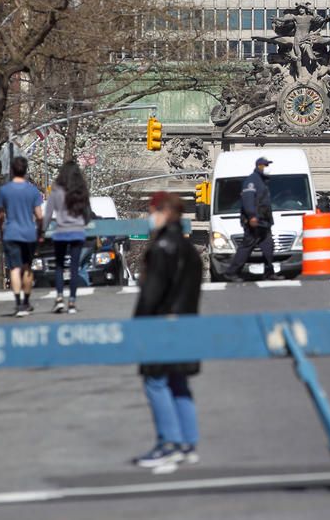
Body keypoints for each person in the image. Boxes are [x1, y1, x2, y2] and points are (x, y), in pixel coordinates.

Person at [133, 192, 204, 468]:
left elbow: (151, 293)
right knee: (178, 382)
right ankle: (187, 442)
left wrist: (138, 325)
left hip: (161, 324)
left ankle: (169, 442)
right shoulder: (188, 250)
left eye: (152, 211)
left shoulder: (161, 247)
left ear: (163, 212)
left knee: (156, 381)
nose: (150, 217)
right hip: (186, 322)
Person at [0, 156, 44, 318]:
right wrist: (40, 232)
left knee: (15, 269)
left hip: (11, 232)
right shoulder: (32, 191)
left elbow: (0, 215)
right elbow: (39, 215)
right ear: (25, 170)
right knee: (27, 268)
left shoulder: (4, 190)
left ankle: (18, 303)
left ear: (13, 170)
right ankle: (27, 301)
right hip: (29, 233)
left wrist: (1, 230)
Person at [43, 160, 91, 315]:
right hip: (77, 232)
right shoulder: (81, 191)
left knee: (59, 266)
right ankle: (72, 301)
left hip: (61, 232)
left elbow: (48, 214)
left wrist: (42, 231)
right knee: (74, 268)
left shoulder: (56, 191)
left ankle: (58, 298)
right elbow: (88, 213)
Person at [223, 157, 282, 282]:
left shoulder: (261, 181)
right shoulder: (252, 181)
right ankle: (231, 272)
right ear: (260, 166)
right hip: (255, 221)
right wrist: (252, 216)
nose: (268, 168)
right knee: (246, 247)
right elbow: (248, 199)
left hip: (263, 221)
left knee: (268, 246)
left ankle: (269, 272)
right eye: (266, 165)